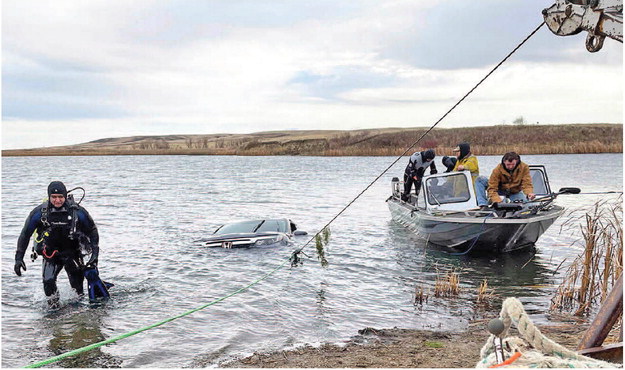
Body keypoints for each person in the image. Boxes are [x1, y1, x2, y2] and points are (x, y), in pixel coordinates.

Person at [14, 181, 99, 307]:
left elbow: (92, 231)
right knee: (48, 282)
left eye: (60, 197)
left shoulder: (77, 211)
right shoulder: (39, 213)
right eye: (54, 197)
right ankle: (54, 310)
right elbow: (25, 235)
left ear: (65, 196)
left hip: (72, 253)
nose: (57, 200)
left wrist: (95, 255)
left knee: (77, 289)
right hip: (50, 254)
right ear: (49, 197)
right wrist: (18, 258)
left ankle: (79, 314)